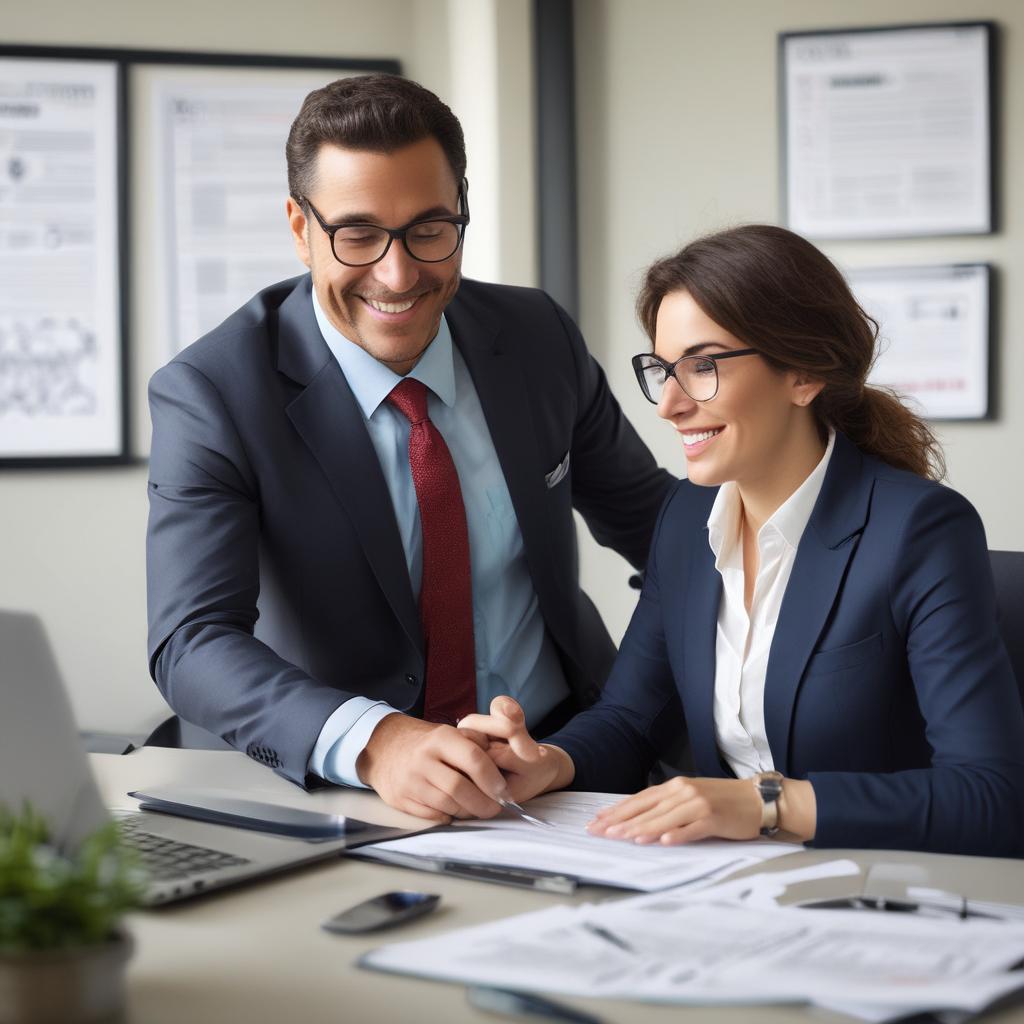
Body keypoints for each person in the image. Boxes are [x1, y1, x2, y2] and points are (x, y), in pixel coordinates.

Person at [145, 74, 674, 822]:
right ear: (300, 229)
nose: (397, 276)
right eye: (357, 233)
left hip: (557, 766)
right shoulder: (214, 393)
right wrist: (374, 741)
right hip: (339, 787)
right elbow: (192, 639)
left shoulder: (536, 337)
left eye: (429, 228)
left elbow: (667, 534)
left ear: (463, 212)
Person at [459, 224, 1024, 857]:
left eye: (703, 366)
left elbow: (990, 795)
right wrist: (550, 762)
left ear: (803, 373)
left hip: (882, 887)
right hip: (727, 888)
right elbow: (629, 720)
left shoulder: (920, 530)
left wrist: (765, 803)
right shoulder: (685, 519)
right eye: (662, 369)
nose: (669, 404)